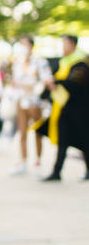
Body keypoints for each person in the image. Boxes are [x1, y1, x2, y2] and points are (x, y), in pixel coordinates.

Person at [37, 35, 89, 181]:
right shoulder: (62, 62)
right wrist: (49, 85)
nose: (63, 47)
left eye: (65, 43)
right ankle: (56, 172)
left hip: (80, 109)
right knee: (63, 140)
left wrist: (56, 82)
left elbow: (75, 83)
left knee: (84, 141)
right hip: (63, 108)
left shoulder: (81, 63)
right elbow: (54, 79)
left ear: (72, 44)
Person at [9, 36, 52, 175]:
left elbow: (46, 79)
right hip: (21, 100)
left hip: (35, 101)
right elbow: (15, 81)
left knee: (37, 131)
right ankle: (23, 160)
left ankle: (38, 160)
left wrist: (30, 85)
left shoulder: (40, 62)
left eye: (25, 44)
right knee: (22, 132)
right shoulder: (18, 62)